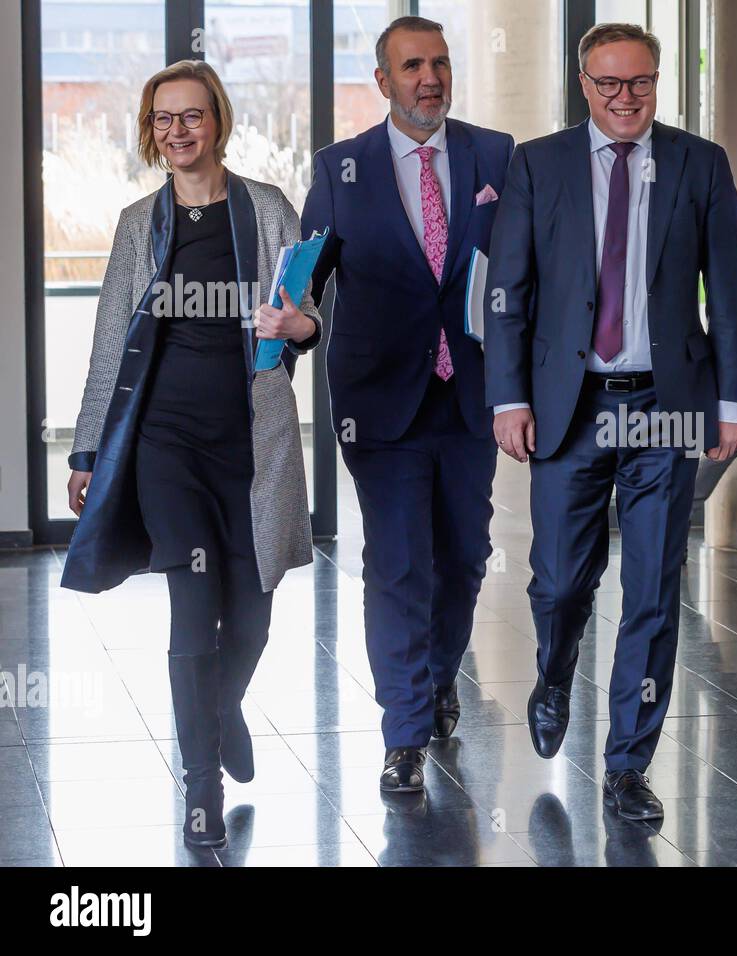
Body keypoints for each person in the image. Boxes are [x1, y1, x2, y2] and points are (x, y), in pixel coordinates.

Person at [485, 23, 737, 820]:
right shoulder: (538, 164)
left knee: (653, 589)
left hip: (666, 407)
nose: (626, 98)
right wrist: (509, 397)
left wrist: (730, 405)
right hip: (573, 406)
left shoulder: (700, 164)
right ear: (583, 83)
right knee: (562, 582)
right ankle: (556, 668)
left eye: (640, 82)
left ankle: (628, 764)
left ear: (657, 81)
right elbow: (510, 291)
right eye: (609, 84)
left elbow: (730, 297)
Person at [62, 60, 320, 848]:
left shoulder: (267, 208)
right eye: (164, 118)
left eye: (192, 116)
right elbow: (112, 339)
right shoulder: (139, 223)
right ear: (152, 130)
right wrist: (85, 447)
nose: (178, 130)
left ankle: (222, 705)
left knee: (252, 614)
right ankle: (199, 785)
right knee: (189, 608)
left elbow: (310, 315)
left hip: (253, 442)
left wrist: (301, 329)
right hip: (165, 443)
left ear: (218, 122)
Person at [301, 16, 514, 792]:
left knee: (463, 556)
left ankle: (436, 674)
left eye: (441, 64)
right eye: (413, 65)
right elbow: (306, 284)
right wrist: (294, 329)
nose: (431, 77)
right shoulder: (339, 168)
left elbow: (517, 267)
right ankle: (403, 734)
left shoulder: (495, 155)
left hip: (472, 396)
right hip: (379, 400)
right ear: (383, 81)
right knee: (397, 564)